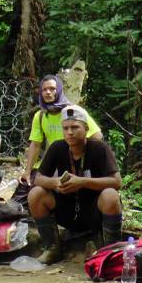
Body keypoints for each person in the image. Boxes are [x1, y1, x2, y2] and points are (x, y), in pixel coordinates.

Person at [28, 105, 122, 264]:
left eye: (75, 127)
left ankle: (111, 252)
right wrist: (55, 183)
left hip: (93, 210)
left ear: (85, 128)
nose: (69, 132)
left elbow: (116, 182)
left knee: (111, 195)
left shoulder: (99, 148)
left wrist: (82, 182)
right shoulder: (57, 148)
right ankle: (51, 248)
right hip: (66, 209)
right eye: (65, 128)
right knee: (36, 193)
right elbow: (38, 178)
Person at [20, 75, 102, 186]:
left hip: (76, 162)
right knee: (28, 188)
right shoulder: (40, 116)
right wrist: (28, 171)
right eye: (44, 90)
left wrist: (81, 156)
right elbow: (35, 145)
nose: (48, 92)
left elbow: (97, 136)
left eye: (52, 89)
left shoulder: (74, 112)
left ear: (59, 90)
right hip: (53, 162)